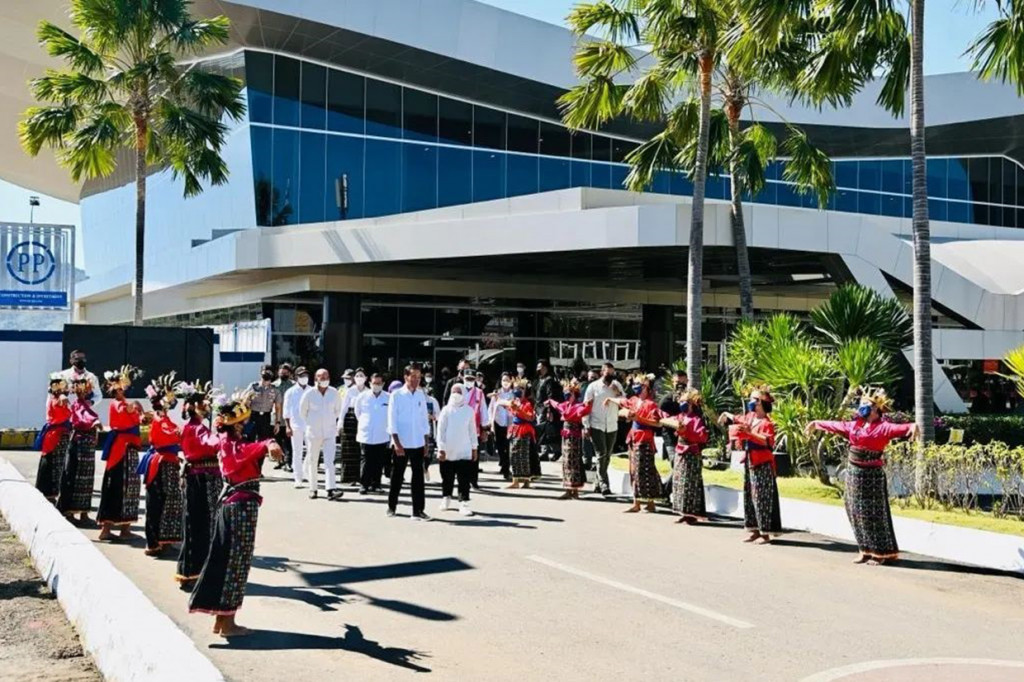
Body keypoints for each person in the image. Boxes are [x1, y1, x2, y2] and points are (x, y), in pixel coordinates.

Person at [188, 391, 284, 637]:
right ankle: (228, 623)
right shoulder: (235, 447)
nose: (245, 425)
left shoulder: (225, 441)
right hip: (239, 508)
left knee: (227, 561)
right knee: (236, 563)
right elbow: (253, 449)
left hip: (233, 505)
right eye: (242, 422)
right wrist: (269, 443)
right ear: (237, 426)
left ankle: (222, 620)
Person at [806, 389, 917, 565]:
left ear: (875, 408)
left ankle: (880, 553)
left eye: (865, 405)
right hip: (853, 474)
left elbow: (903, 428)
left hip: (871, 476)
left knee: (873, 514)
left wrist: (913, 427)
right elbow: (836, 426)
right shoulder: (855, 425)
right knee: (855, 511)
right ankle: (864, 549)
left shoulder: (883, 427)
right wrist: (816, 423)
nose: (861, 407)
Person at [175, 380, 223, 590]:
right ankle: (194, 572)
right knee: (201, 525)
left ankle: (192, 571)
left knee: (197, 524)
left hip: (200, 478)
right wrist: (226, 431)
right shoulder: (197, 429)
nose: (207, 407)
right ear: (195, 407)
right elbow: (214, 444)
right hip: (202, 480)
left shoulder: (195, 427)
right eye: (204, 404)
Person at [719, 387, 781, 544]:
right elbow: (739, 419)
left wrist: (749, 434)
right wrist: (727, 415)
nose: (751, 402)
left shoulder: (767, 423)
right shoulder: (750, 417)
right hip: (750, 461)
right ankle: (754, 530)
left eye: (754, 399)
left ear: (761, 403)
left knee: (761, 497)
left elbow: (767, 441)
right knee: (749, 496)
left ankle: (765, 532)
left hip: (762, 462)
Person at [138, 375, 184, 556]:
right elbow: (169, 433)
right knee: (162, 502)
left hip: (165, 461)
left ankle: (160, 541)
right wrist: (181, 433)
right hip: (162, 463)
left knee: (162, 502)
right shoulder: (160, 418)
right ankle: (157, 542)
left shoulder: (161, 417)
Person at [97, 365, 144, 541]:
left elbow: (136, 417)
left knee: (131, 486)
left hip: (129, 448)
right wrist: (136, 406)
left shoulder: (124, 402)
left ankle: (125, 528)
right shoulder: (117, 404)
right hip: (120, 448)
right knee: (114, 485)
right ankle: (106, 528)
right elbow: (128, 410)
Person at [606, 377, 663, 513]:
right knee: (634, 471)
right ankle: (636, 502)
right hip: (634, 439)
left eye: (639, 385)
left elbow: (657, 423)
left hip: (645, 439)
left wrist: (639, 419)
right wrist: (610, 399)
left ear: (645, 387)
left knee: (646, 470)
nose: (636, 386)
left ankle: (650, 502)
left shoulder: (651, 404)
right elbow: (622, 401)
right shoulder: (634, 400)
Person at [387, 364, 431, 520]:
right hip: (402, 442)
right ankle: (392, 506)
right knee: (397, 475)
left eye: (419, 377)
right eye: (413, 376)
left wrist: (426, 442)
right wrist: (397, 443)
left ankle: (418, 510)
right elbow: (392, 421)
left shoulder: (420, 395)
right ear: (406, 377)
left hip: (417, 441)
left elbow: (424, 420)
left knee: (418, 477)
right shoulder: (396, 395)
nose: (416, 380)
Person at [59, 376, 100, 524]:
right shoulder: (77, 405)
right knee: (75, 476)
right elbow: (83, 418)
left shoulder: (85, 404)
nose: (86, 392)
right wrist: (95, 422)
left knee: (87, 479)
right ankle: (70, 512)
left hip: (87, 447)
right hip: (79, 445)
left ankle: (83, 512)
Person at [664, 388, 709, 524]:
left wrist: (686, 432)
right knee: (679, 482)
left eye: (684, 402)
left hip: (691, 453)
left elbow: (702, 437)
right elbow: (669, 419)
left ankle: (692, 514)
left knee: (690, 483)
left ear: (691, 404)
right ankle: (683, 511)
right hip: (680, 453)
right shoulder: (681, 417)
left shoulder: (696, 419)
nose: (681, 404)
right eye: (680, 401)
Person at [300, 369, 344, 500]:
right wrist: (313, 423)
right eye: (321, 377)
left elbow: (337, 411)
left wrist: (329, 422)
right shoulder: (309, 394)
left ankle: (330, 489)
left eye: (326, 376)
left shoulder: (334, 393)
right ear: (316, 379)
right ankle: (313, 489)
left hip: (329, 432)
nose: (324, 379)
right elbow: (303, 412)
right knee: (313, 461)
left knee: (330, 461)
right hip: (313, 433)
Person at [436, 384, 478, 516]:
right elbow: (440, 431)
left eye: (459, 392)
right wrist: (441, 448)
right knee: (447, 477)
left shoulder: (469, 411)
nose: (456, 394)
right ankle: (446, 498)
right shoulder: (446, 410)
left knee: (464, 479)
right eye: (453, 391)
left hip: (464, 451)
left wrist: (474, 448)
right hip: (448, 451)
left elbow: (472, 430)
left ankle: (464, 503)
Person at [546, 378, 592, 499]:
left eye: (569, 393)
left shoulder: (578, 406)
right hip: (565, 437)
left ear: (575, 394)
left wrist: (589, 405)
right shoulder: (565, 405)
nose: (567, 395)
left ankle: (575, 490)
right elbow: (557, 405)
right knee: (566, 462)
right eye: (566, 392)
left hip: (574, 436)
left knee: (574, 461)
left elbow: (584, 410)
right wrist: (550, 401)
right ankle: (567, 489)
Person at [583, 362, 624, 495]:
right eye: (608, 373)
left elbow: (625, 402)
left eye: (612, 373)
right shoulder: (593, 387)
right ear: (602, 372)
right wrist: (586, 425)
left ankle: (597, 483)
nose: (610, 375)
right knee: (601, 454)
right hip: (596, 424)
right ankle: (604, 484)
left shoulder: (617, 385)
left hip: (612, 424)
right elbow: (586, 407)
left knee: (607, 456)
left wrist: (617, 393)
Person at [35, 373, 72, 504]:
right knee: (55, 463)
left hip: (56, 434)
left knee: (51, 462)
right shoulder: (58, 400)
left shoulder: (55, 399)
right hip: (57, 435)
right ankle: (50, 493)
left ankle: (49, 492)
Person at [354, 373, 390, 494]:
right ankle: (364, 484)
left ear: (383, 384)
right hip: (366, 433)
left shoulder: (388, 397)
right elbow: (357, 412)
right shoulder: (362, 396)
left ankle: (376, 484)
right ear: (370, 383)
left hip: (382, 433)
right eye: (374, 383)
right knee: (366, 459)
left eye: (379, 383)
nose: (376, 385)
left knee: (379, 460)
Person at [498, 380, 536, 489]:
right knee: (513, 455)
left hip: (524, 430)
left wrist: (518, 410)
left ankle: (526, 481)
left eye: (520, 389)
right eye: (516, 388)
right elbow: (509, 407)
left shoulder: (527, 404)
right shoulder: (515, 401)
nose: (517, 391)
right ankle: (516, 481)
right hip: (514, 429)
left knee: (524, 456)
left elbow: (530, 417)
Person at [337, 368, 368, 487]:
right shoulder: (350, 391)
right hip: (350, 420)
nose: (359, 378)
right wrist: (340, 422)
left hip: (363, 419)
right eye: (357, 376)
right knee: (349, 449)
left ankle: (361, 476)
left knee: (361, 449)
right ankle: (349, 478)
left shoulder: (368, 391)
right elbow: (343, 408)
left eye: (362, 376)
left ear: (365, 378)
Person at [461, 369, 490, 489]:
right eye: (467, 379)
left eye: (471, 379)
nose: (469, 381)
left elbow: (483, 410)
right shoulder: (458, 390)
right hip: (460, 428)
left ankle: (473, 480)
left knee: (474, 455)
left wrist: (485, 429)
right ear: (463, 379)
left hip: (475, 428)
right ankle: (463, 479)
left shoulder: (479, 392)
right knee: (462, 455)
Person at [282, 367, 311, 487]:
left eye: (306, 375)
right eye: (301, 375)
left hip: (310, 425)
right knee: (297, 452)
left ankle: (307, 472)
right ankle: (298, 478)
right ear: (296, 377)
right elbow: (286, 410)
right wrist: (288, 426)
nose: (304, 378)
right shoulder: (291, 392)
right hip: (296, 425)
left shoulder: (312, 390)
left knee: (311, 451)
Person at [535, 360, 563, 461]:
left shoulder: (549, 380)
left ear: (545, 368)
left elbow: (550, 395)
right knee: (543, 431)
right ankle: (544, 452)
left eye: (540, 367)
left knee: (548, 431)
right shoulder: (540, 379)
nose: (538, 369)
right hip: (539, 408)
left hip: (545, 409)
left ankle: (556, 451)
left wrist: (549, 411)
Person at [246, 365, 282, 443]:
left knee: (263, 440)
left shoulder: (275, 390)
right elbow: (245, 402)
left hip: (265, 417)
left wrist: (277, 423)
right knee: (249, 439)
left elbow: (278, 407)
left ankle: (260, 455)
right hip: (253, 416)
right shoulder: (253, 386)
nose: (265, 380)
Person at [489, 372, 515, 480]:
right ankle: (503, 464)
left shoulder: (514, 394)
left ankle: (506, 468)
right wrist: (489, 423)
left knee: (508, 446)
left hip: (510, 423)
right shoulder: (497, 393)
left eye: (508, 380)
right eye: (503, 380)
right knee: (499, 446)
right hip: (498, 422)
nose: (505, 382)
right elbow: (490, 408)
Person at [660, 370, 689, 461]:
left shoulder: (691, 398)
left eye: (683, 382)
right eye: (677, 382)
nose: (680, 385)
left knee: (682, 462)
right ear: (673, 382)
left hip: (686, 435)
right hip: (670, 434)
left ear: (687, 382)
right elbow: (660, 413)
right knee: (674, 460)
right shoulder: (667, 400)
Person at [272, 363, 295, 471]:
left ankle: (288, 462)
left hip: (289, 418)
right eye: (281, 373)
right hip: (276, 417)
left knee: (288, 442)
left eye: (285, 373)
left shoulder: (294, 385)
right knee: (277, 441)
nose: (283, 374)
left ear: (289, 374)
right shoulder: (273, 385)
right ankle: (279, 461)